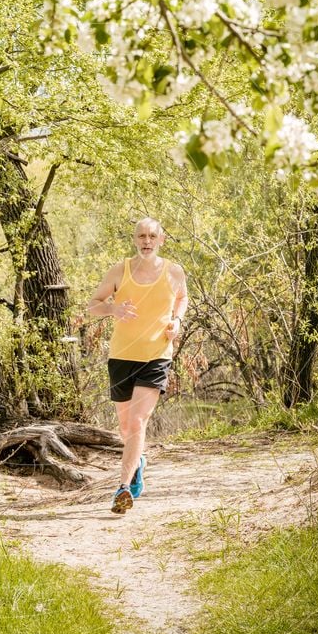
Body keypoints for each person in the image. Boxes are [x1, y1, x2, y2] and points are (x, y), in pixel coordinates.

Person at [87, 217, 188, 514]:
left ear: (161, 240)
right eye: (142, 236)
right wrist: (112, 308)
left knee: (137, 422)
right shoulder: (120, 271)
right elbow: (93, 304)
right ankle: (139, 461)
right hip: (121, 356)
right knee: (125, 428)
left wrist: (177, 321)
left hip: (156, 356)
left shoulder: (173, 272)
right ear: (135, 239)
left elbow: (182, 299)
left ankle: (122, 487)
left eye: (152, 236)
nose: (147, 241)